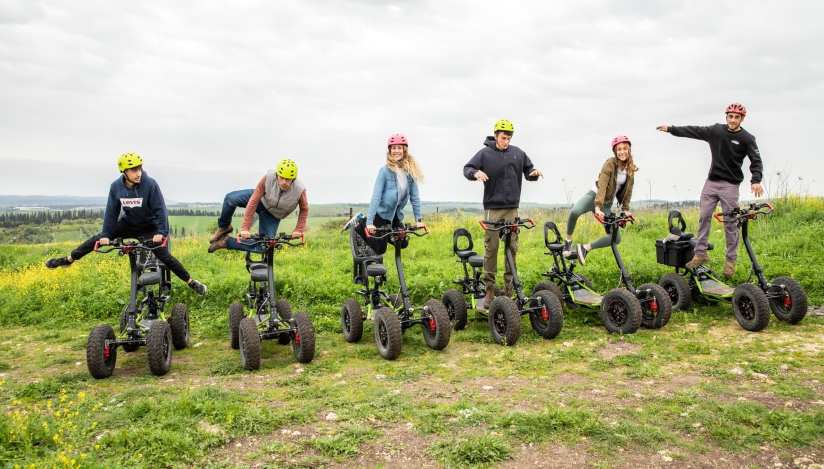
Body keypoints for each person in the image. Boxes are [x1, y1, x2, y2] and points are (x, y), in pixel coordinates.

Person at [45, 153, 207, 295]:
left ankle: (191, 282)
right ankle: (68, 259)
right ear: (124, 172)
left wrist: (161, 233)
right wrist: (107, 235)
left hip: (150, 227)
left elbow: (160, 210)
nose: (138, 173)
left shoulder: (150, 184)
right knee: (97, 239)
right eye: (134, 170)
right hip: (129, 224)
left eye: (139, 169)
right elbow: (111, 213)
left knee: (164, 256)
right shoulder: (116, 187)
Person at [656, 103, 764, 277]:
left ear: (742, 119)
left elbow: (756, 160)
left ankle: (730, 261)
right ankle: (701, 254)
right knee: (704, 216)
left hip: (730, 185)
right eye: (730, 116)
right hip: (711, 183)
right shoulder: (716, 131)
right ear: (726, 117)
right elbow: (694, 131)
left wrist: (756, 180)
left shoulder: (747, 138)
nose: (733, 120)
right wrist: (671, 129)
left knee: (730, 222)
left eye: (737, 117)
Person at [463, 119, 543, 310]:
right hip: (492, 207)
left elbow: (528, 169)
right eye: (503, 137)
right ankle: (490, 288)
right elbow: (467, 168)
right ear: (496, 135)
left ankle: (509, 287)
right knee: (492, 248)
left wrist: (533, 173)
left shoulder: (518, 153)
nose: (506, 141)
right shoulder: (485, 153)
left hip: (511, 208)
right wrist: (475, 174)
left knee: (511, 246)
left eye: (508, 138)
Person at [564, 135, 638, 265]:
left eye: (624, 148)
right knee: (575, 212)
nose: (622, 152)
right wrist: (597, 207)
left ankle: (585, 248)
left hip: (607, 203)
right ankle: (568, 241)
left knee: (616, 238)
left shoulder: (630, 168)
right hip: (594, 196)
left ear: (629, 150)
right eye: (619, 149)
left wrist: (625, 209)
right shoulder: (610, 163)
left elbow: (628, 190)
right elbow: (602, 185)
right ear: (615, 151)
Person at [208, 159, 308, 253]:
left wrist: (298, 230)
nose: (284, 182)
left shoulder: (299, 190)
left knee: (263, 246)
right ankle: (224, 227)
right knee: (230, 199)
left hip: (273, 215)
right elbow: (253, 201)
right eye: (281, 177)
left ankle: (227, 242)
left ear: (293, 179)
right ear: (277, 174)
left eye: (288, 179)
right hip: (261, 201)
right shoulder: (268, 178)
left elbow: (304, 209)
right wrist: (245, 228)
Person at [353, 133, 424, 255]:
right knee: (381, 249)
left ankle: (384, 236)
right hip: (380, 214)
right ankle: (361, 224)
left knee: (403, 242)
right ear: (390, 150)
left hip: (395, 214)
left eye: (399, 148)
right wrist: (370, 223)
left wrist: (418, 220)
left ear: (404, 150)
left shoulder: (410, 172)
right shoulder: (384, 171)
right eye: (394, 148)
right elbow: (376, 197)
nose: (397, 151)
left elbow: (415, 197)